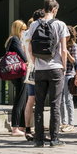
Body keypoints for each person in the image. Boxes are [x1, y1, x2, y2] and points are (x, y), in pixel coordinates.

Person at [26, 0, 69, 148]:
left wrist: (34, 63)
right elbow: (63, 50)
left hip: (39, 70)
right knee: (55, 104)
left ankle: (38, 139)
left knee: (38, 104)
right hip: (56, 68)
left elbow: (30, 49)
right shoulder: (60, 24)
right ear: (55, 9)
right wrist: (63, 66)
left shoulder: (33, 24)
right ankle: (54, 139)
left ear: (43, 9)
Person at [23, 9, 45, 141]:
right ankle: (38, 129)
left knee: (30, 99)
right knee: (39, 100)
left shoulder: (25, 33)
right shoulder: (38, 31)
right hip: (39, 67)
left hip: (29, 68)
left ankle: (27, 129)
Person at [5, 20, 28, 137]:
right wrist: (28, 60)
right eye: (23, 29)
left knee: (23, 98)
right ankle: (15, 127)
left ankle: (22, 126)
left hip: (15, 73)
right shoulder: (15, 40)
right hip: (20, 73)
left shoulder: (10, 40)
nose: (25, 31)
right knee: (20, 99)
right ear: (19, 29)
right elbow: (22, 56)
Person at [60, 26, 77, 132]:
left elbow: (75, 62)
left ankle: (71, 123)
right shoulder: (61, 44)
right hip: (61, 74)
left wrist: (66, 52)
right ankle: (63, 122)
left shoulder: (74, 46)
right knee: (61, 100)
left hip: (69, 74)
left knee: (68, 99)